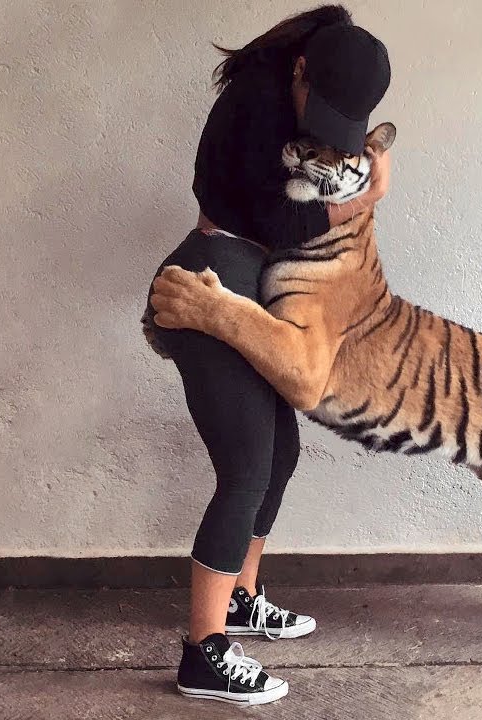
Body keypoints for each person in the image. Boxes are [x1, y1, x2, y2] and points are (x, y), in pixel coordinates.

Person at [141, 5, 391, 706]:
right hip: (214, 276)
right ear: (303, 72)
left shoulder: (299, 77)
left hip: (246, 281)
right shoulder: (257, 98)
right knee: (246, 471)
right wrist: (365, 198)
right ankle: (203, 652)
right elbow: (279, 220)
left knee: (280, 455)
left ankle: (242, 598)